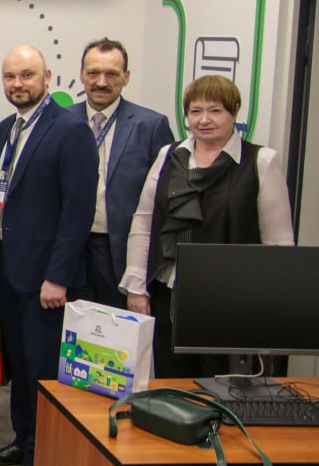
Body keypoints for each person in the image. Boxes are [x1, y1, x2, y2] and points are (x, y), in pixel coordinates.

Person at [0, 45, 97, 466]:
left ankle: (39, 460)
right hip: (11, 270)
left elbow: (77, 211)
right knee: (22, 365)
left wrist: (58, 276)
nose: (18, 84)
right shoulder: (7, 128)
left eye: (27, 75)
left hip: (46, 278)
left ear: (47, 77)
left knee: (43, 371)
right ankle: (21, 440)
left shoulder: (70, 130)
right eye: (10, 76)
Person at [121, 75, 294, 377]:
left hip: (230, 303)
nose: (204, 120)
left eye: (215, 110)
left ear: (234, 111)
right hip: (168, 295)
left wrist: (268, 311)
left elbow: (278, 245)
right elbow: (144, 222)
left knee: (225, 386)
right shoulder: (169, 155)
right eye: (195, 111)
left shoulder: (260, 161)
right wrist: (136, 287)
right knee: (171, 388)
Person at [67, 38, 174, 308]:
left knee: (115, 330)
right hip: (69, 251)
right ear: (81, 74)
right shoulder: (60, 121)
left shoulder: (151, 126)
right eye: (93, 73)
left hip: (120, 253)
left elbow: (164, 203)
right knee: (67, 331)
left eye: (112, 74)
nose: (101, 82)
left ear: (126, 77)